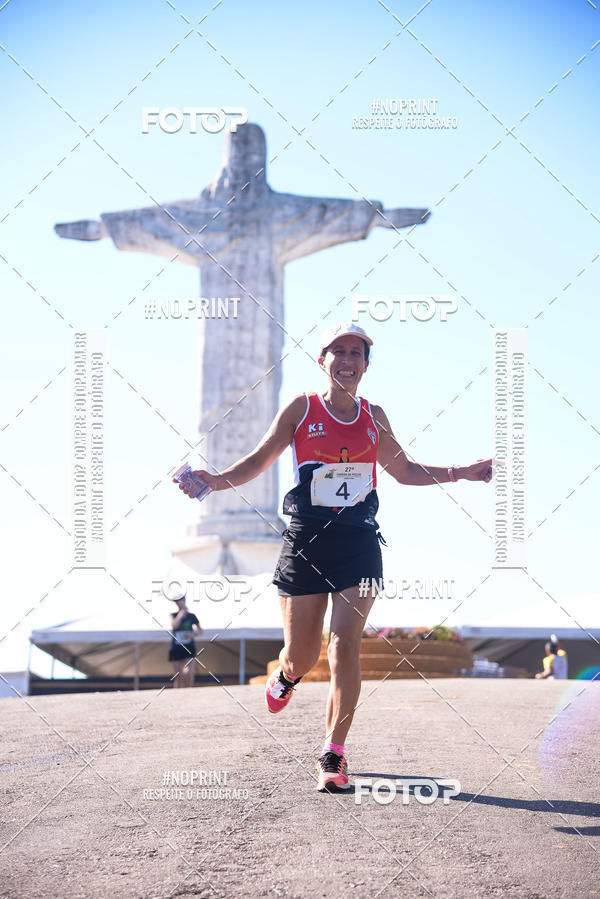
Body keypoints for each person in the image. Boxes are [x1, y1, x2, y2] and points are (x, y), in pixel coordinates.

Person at [175, 322, 493, 791]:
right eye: (338, 352)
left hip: (358, 542)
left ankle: (334, 752)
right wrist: (213, 479)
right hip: (307, 540)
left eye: (357, 353)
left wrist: (459, 472)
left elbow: (402, 470)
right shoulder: (301, 409)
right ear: (323, 360)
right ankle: (287, 676)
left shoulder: (374, 415)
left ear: (366, 365)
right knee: (303, 655)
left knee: (345, 644)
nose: (347, 360)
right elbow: (259, 461)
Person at [168, 595, 203, 688]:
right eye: (177, 601)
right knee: (179, 676)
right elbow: (174, 625)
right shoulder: (173, 615)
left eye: (180, 600)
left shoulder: (192, 616)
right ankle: (177, 697)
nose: (178, 603)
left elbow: (200, 631)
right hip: (176, 647)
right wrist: (181, 613)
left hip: (189, 646)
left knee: (189, 674)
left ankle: (188, 693)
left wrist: (192, 634)